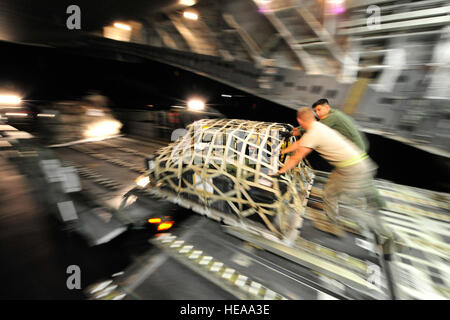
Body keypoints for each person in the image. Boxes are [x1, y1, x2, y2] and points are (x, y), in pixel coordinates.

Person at [273, 107, 394, 257]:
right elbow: (299, 144)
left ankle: (389, 236)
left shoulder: (314, 133)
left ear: (300, 121)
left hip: (353, 170)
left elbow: (297, 156)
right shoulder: (318, 126)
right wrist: (279, 151)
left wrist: (280, 172)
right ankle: (332, 223)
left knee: (349, 207)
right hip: (350, 165)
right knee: (329, 194)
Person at [293, 98, 385, 210]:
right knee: (362, 179)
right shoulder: (334, 114)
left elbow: (314, 127)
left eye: (319, 109)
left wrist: (297, 130)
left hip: (355, 149)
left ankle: (373, 203)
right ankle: (377, 202)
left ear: (327, 107)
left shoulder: (332, 117)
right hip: (355, 147)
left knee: (356, 178)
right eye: (315, 111)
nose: (317, 113)